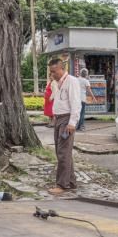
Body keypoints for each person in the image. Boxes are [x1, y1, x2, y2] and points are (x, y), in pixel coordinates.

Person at [48, 58, 80, 195]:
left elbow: (76, 103)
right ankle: (71, 181)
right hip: (59, 119)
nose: (52, 74)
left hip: (67, 120)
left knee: (63, 153)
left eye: (54, 71)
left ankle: (62, 184)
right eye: (51, 72)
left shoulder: (71, 81)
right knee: (62, 152)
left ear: (61, 69)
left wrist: (72, 122)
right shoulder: (58, 83)